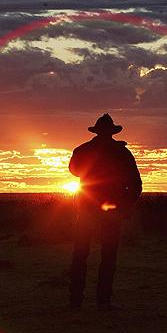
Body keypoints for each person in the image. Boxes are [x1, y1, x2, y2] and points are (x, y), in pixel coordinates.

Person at [68, 113, 142, 309]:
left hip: (87, 206)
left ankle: (76, 300)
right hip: (111, 209)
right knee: (108, 255)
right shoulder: (122, 153)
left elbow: (74, 171)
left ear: (97, 131)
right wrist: (126, 204)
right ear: (112, 132)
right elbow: (136, 183)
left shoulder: (82, 150)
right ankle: (103, 300)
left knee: (81, 253)